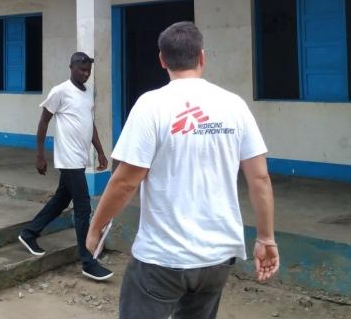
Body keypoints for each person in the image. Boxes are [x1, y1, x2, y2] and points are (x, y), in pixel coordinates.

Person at [87, 22, 279, 318]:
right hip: (217, 257)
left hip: (162, 258)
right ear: (202, 57)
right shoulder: (234, 105)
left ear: (162, 60)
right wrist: (266, 238)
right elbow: (260, 178)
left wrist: (96, 226)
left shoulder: (151, 105)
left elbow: (125, 182)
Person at [18, 52, 114, 281]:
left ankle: (29, 233)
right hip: (68, 158)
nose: (85, 73)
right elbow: (43, 122)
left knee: (61, 199)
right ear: (71, 66)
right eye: (81, 69)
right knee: (83, 207)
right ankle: (88, 261)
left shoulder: (88, 92)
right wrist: (40, 154)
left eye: (88, 70)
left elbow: (89, 123)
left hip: (81, 156)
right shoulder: (59, 91)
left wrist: (100, 151)